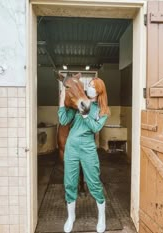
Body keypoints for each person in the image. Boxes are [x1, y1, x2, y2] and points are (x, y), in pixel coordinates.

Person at [58, 77, 110, 233]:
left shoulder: (103, 111)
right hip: (72, 147)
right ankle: (71, 217)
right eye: (90, 85)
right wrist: (62, 99)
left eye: (94, 86)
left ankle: (102, 218)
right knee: (70, 182)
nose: (91, 88)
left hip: (88, 148)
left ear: (100, 90)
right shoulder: (80, 102)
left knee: (94, 182)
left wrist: (86, 114)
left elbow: (95, 128)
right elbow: (63, 118)